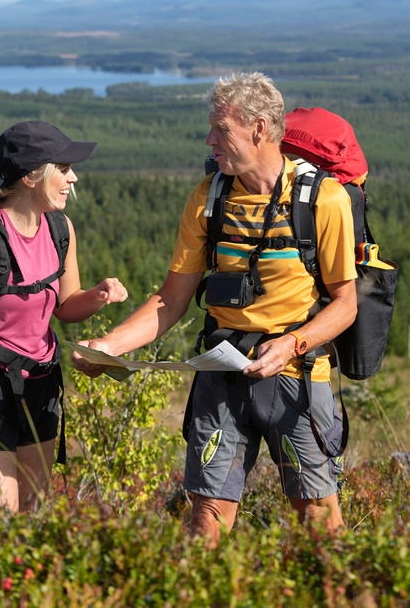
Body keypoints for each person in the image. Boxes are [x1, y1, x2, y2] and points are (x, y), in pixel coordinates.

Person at [72, 73, 357, 546]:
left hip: (297, 378)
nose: (209, 140)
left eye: (220, 129)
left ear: (259, 129)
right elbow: (170, 299)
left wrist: (291, 344)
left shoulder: (320, 198)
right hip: (221, 374)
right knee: (206, 517)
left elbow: (345, 304)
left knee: (318, 518)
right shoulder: (209, 196)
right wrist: (108, 346)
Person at [0, 120, 128, 513]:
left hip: (39, 385)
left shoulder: (60, 228)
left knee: (33, 518)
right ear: (31, 177)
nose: (74, 178)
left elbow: (65, 306)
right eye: (64, 169)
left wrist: (98, 296)